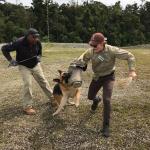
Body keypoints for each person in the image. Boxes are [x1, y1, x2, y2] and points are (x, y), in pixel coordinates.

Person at [77, 32, 137, 137]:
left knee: (107, 99)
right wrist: (80, 64)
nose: (92, 47)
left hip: (109, 77)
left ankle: (106, 126)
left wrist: (132, 70)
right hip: (97, 77)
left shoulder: (112, 50)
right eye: (91, 44)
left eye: (95, 45)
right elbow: (83, 61)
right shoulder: (90, 52)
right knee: (90, 96)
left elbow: (130, 56)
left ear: (102, 43)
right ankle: (96, 100)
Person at [1, 28, 54, 115]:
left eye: (37, 37)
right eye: (34, 37)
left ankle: (53, 99)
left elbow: (40, 53)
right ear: (28, 36)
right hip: (24, 66)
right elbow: (4, 49)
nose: (36, 39)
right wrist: (11, 60)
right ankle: (27, 106)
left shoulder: (37, 42)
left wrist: (38, 57)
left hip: (35, 65)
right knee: (28, 84)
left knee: (43, 81)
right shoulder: (18, 42)